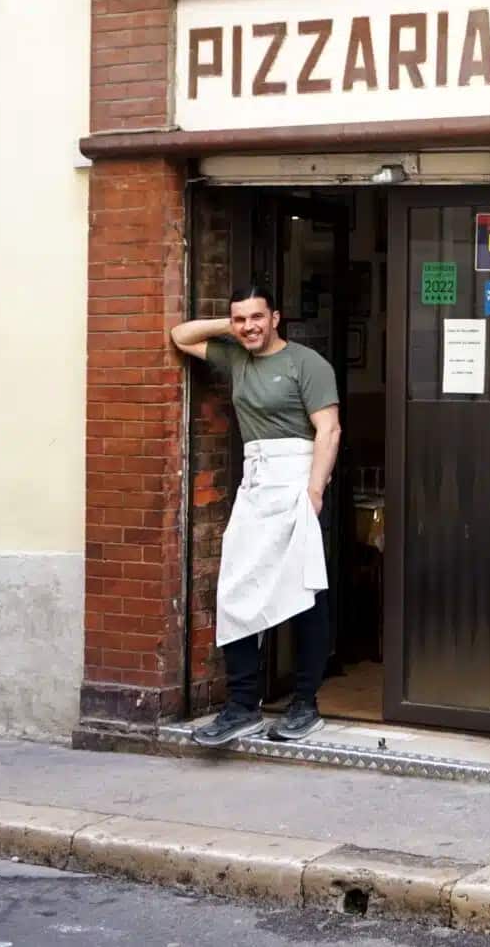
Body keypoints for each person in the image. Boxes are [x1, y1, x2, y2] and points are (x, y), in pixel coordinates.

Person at [169, 283, 342, 746]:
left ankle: (305, 704)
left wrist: (315, 491)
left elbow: (329, 428)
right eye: (241, 319)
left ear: (276, 317)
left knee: (305, 594)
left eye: (257, 317)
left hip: (298, 481)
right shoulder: (236, 357)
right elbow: (180, 335)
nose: (249, 326)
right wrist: (229, 328)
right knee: (236, 588)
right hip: (256, 481)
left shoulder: (307, 364)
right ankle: (243, 705)